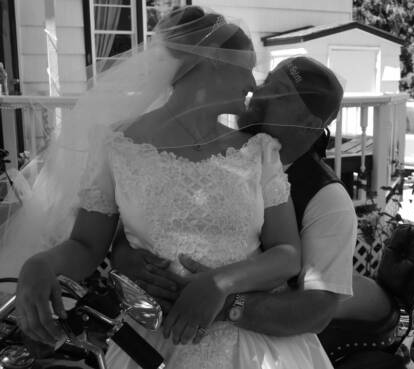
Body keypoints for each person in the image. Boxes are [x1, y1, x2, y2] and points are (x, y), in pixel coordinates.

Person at [10, 7, 335, 369]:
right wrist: (39, 265)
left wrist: (220, 284)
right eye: (246, 68)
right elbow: (86, 245)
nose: (252, 85)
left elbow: (287, 253)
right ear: (212, 63)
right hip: (152, 346)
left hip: (251, 349)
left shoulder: (259, 152)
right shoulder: (116, 146)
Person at [111, 56, 393, 340]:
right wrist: (126, 257)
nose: (258, 93)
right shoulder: (213, 154)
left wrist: (224, 301)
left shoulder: (327, 199)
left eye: (279, 92)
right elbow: (149, 220)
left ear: (308, 124)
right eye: (266, 81)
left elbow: (316, 311)